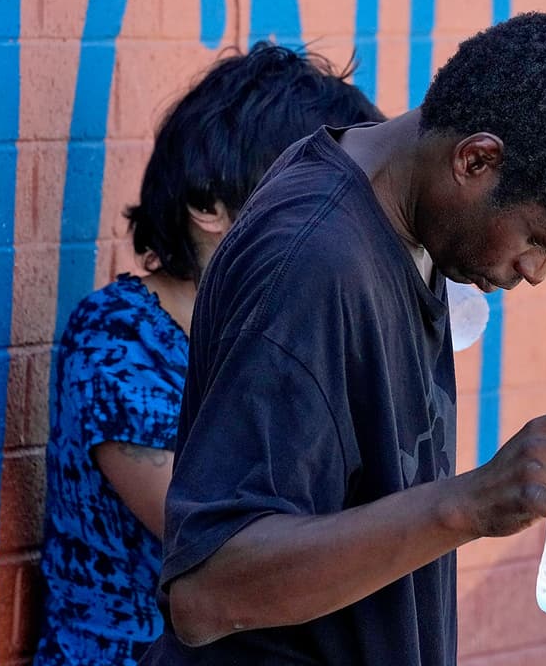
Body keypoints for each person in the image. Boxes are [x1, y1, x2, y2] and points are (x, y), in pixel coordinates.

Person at [142, 11, 546, 665]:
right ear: (476, 159)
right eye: (536, 238)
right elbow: (208, 590)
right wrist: (469, 504)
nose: (534, 273)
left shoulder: (412, 224)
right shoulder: (312, 262)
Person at [35, 42, 384, 666]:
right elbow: (224, 550)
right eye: (313, 196)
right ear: (209, 206)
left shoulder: (295, 329)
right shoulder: (118, 340)